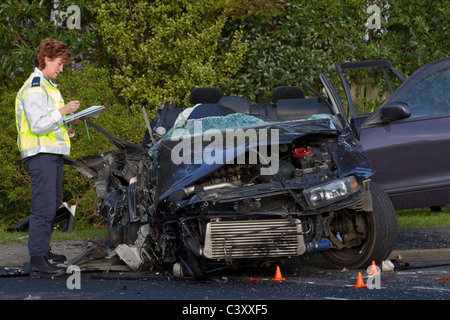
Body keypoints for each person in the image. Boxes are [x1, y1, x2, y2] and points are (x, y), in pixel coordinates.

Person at [15, 38, 80, 277]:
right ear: (47, 59)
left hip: (50, 154)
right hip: (40, 154)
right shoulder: (34, 87)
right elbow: (38, 124)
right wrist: (62, 112)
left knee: (52, 205)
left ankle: (43, 251)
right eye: (60, 64)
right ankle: (38, 261)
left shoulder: (47, 86)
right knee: (43, 207)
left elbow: (50, 122)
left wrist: (67, 121)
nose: (61, 69)